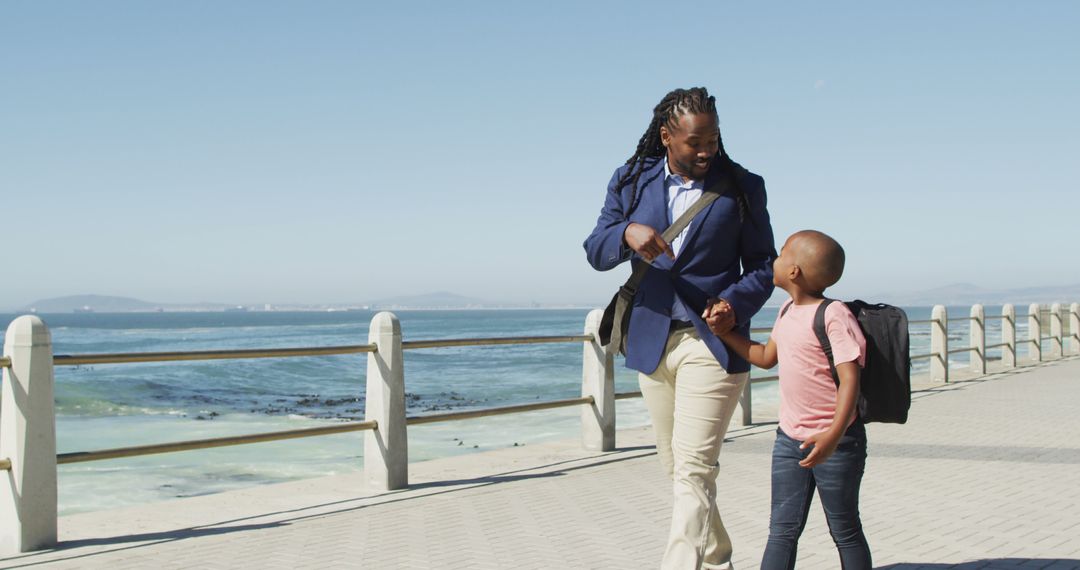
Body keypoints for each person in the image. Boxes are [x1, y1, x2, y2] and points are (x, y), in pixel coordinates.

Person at [583, 87, 776, 570]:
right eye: (695, 142)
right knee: (678, 469)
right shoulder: (630, 180)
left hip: (712, 343)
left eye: (713, 138)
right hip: (651, 340)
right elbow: (595, 246)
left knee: (693, 468)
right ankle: (719, 558)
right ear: (667, 137)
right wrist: (627, 234)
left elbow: (763, 264)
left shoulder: (743, 186)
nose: (707, 150)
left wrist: (734, 303)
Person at [706, 230, 872, 569]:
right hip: (790, 439)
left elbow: (850, 380)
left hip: (837, 441)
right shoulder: (786, 310)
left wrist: (833, 435)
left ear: (794, 271)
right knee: (781, 530)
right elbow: (766, 357)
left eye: (781, 254)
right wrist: (726, 334)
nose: (774, 261)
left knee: (844, 528)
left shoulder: (833, 315)